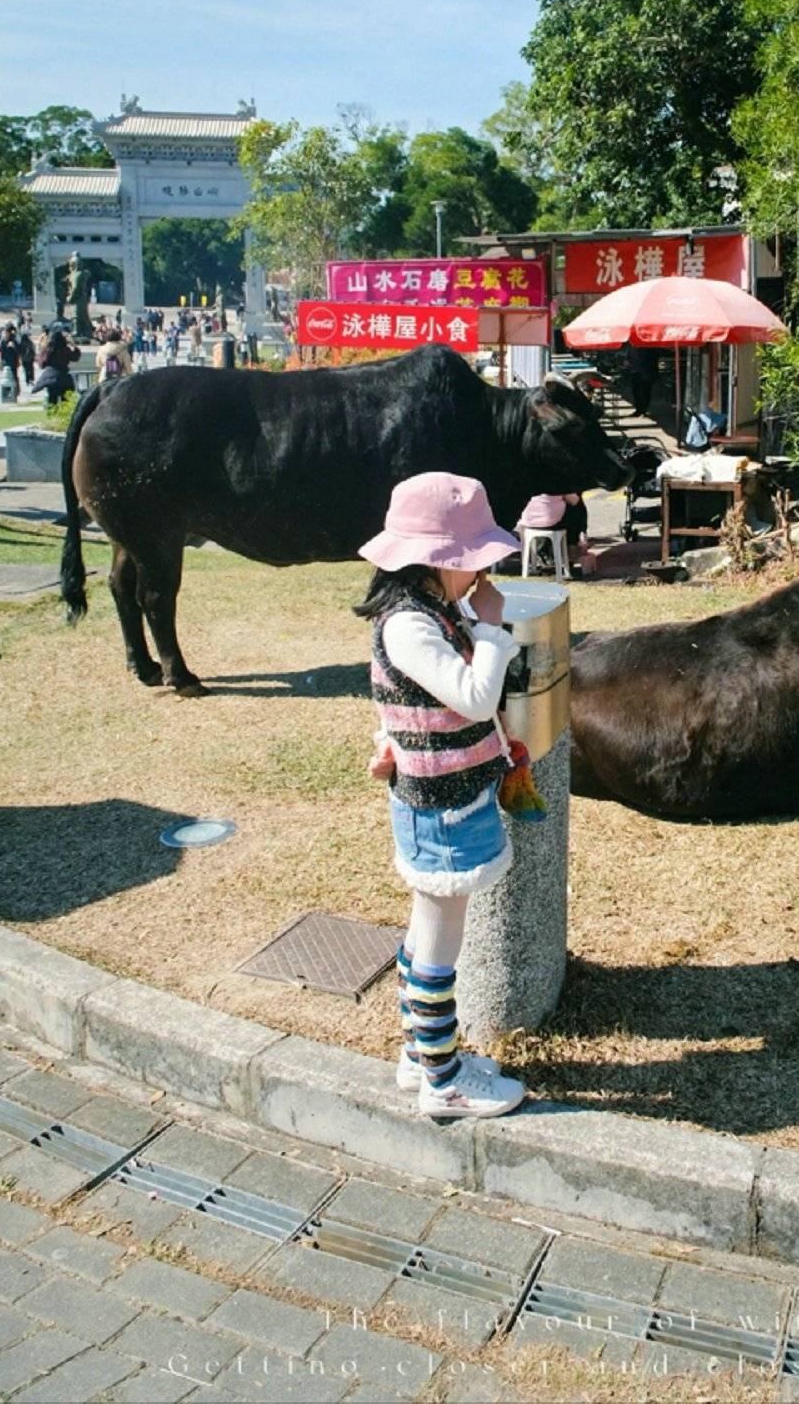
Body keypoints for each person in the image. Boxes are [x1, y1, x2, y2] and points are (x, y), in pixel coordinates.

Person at [355, 472, 528, 1120]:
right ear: (438, 562)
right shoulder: (411, 626)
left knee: (426, 931)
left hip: (445, 798)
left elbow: (409, 705)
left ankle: (420, 1055)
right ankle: (445, 1080)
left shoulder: (428, 613)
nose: (483, 576)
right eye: (474, 562)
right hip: (440, 810)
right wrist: (489, 629)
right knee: (437, 940)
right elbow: (474, 696)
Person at [517, 492, 587, 576]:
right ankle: (573, 548)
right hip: (551, 522)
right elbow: (574, 501)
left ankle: (528, 562)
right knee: (573, 512)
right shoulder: (555, 482)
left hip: (527, 522)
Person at [625, 344, 660, 417]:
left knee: (645, 392)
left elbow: (654, 359)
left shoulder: (649, 347)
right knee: (636, 392)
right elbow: (628, 357)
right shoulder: (632, 347)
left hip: (646, 372)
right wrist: (627, 363)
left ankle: (643, 410)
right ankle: (638, 410)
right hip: (635, 372)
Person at [0, 324, 21, 402]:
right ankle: (7, 395)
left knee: (14, 378)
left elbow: (19, 351)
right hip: (5, 363)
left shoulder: (14, 340)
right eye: (5, 332)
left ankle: (15, 393)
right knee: (6, 379)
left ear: (10, 332)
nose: (6, 333)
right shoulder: (3, 340)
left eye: (7, 332)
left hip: (13, 363)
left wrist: (14, 346)